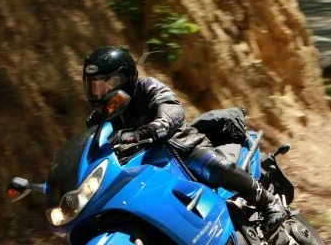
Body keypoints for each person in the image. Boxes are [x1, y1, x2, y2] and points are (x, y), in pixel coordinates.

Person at [83, 46, 287, 233]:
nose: (100, 93)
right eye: (94, 86)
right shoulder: (98, 120)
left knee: (214, 166)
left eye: (107, 84)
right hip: (144, 169)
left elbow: (172, 111)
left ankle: (269, 202)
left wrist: (149, 130)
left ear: (125, 77)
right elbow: (91, 152)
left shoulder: (147, 87)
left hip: (182, 150)